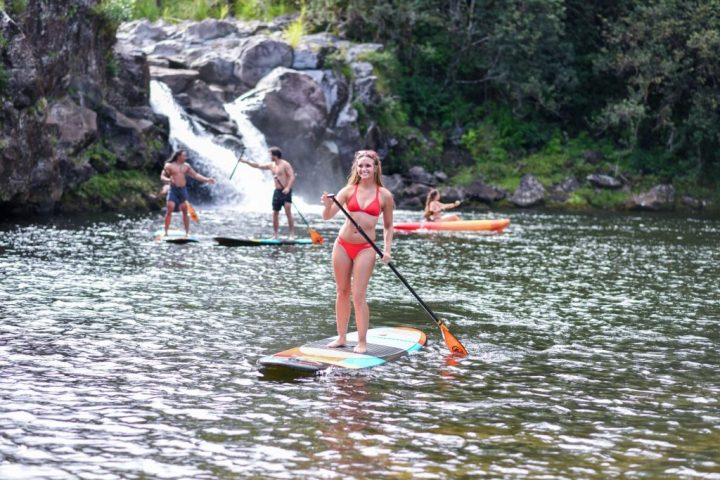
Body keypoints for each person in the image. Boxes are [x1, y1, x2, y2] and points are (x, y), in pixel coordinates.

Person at [320, 150, 395, 354]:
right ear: (356, 168)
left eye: (368, 166)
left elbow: (388, 227)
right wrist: (327, 206)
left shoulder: (385, 195)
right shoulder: (347, 190)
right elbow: (327, 216)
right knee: (342, 291)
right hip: (342, 244)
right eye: (360, 166)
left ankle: (362, 342)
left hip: (366, 248)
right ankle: (342, 338)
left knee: (358, 295)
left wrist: (386, 251)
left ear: (375, 168)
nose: (364, 169)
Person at [238, 146, 295, 239]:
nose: (269, 156)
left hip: (286, 190)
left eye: (270, 154)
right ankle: (275, 235)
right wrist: (246, 162)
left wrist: (288, 188)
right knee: (275, 212)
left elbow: (292, 176)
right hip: (277, 191)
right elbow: (258, 165)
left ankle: (291, 234)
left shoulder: (285, 164)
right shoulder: (271, 165)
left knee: (288, 210)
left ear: (275, 155)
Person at [160, 150, 216, 237]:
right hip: (173, 190)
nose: (186, 157)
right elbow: (162, 176)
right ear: (178, 156)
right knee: (170, 208)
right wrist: (168, 180)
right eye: (184, 156)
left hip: (182, 190)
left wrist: (207, 179)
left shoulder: (186, 166)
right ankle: (166, 232)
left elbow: (195, 175)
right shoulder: (169, 165)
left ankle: (186, 233)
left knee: (185, 211)